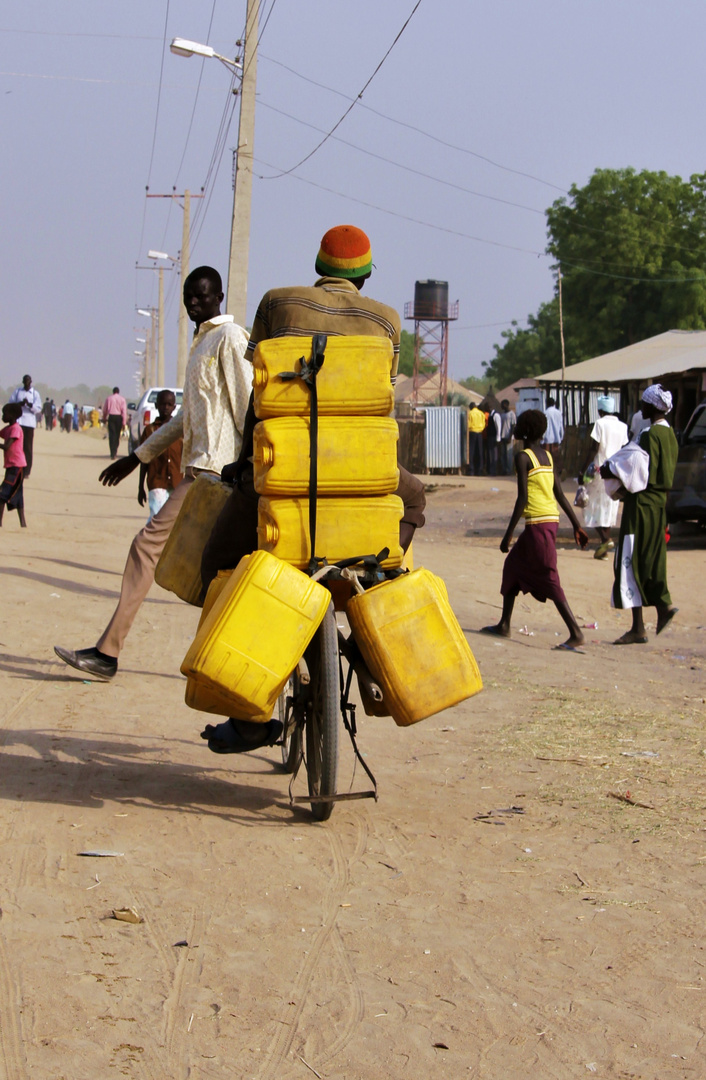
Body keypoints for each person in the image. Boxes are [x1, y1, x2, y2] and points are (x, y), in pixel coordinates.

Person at [199, 224, 427, 755]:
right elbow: (375, 401)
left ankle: (249, 714)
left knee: (219, 565)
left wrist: (243, 465)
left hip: (284, 466)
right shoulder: (387, 321)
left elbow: (260, 394)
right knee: (411, 499)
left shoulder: (277, 303)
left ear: (318, 267)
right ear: (366, 275)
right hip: (361, 473)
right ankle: (378, 601)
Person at [54, 266, 251, 681]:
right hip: (198, 472)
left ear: (218, 297)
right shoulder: (202, 343)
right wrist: (138, 457)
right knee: (212, 572)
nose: (193, 302)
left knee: (149, 549)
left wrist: (243, 469)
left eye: (200, 295)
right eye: (188, 296)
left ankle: (109, 653)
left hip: (214, 475)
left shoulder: (230, 339)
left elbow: (248, 407)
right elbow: (185, 419)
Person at [480, 409, 588, 650]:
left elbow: (522, 499)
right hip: (547, 521)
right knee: (513, 566)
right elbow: (559, 494)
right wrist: (576, 526)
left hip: (539, 524)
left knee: (549, 576)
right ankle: (504, 624)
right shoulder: (548, 457)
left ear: (525, 429)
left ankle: (576, 632)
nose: (516, 425)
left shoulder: (523, 457)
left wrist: (507, 535)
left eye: (519, 423)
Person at [601, 384, 679, 644]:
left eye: (644, 404)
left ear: (652, 406)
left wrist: (608, 469)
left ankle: (638, 627)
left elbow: (633, 468)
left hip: (641, 506)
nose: (641, 408)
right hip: (659, 507)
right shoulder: (671, 437)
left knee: (629, 559)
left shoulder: (648, 435)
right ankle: (663, 606)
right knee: (653, 560)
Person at [578, 395, 629, 559]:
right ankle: (604, 546)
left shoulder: (600, 424)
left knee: (590, 505)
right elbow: (624, 447)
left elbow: (594, 448)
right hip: (615, 471)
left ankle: (606, 539)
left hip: (599, 470)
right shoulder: (622, 426)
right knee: (608, 507)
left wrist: (583, 469)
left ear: (600, 410)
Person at [138, 390, 183, 521]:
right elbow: (143, 460)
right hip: (157, 482)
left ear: (174, 407)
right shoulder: (150, 431)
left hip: (176, 482)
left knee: (174, 520)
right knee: (156, 518)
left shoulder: (180, 431)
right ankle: (149, 541)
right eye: (163, 404)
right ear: (156, 405)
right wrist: (140, 487)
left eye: (169, 404)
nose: (166, 408)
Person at [9, 375, 42, 478]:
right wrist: (20, 404)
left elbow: (38, 409)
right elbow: (11, 403)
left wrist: (30, 405)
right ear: (23, 382)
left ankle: (26, 471)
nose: (26, 383)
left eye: (28, 382)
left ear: (31, 382)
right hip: (19, 422)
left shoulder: (35, 394)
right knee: (16, 447)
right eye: (25, 382)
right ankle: (16, 468)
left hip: (29, 423)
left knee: (27, 447)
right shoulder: (18, 391)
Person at [0, 403, 27, 528]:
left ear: (11, 416)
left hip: (16, 466)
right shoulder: (8, 429)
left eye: (4, 414)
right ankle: (23, 524)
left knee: (2, 493)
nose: (2, 416)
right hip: (12, 466)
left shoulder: (16, 429)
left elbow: (6, 446)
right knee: (17, 494)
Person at [103, 386, 128, 460]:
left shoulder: (109, 398)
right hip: (118, 418)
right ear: (118, 392)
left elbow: (105, 410)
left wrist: (104, 418)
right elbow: (124, 412)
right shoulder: (122, 399)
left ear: (113, 392)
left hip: (111, 417)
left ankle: (112, 453)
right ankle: (115, 452)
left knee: (112, 435)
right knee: (117, 435)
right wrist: (124, 423)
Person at [542, 397, 564, 471]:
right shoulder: (559, 413)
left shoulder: (545, 413)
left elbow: (544, 426)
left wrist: (542, 438)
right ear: (554, 403)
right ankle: (558, 471)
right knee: (555, 456)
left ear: (547, 404)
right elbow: (561, 426)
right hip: (556, 438)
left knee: (546, 456)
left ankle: (548, 470)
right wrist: (561, 437)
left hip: (547, 438)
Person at [498, 399, 516, 476]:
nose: (501, 406)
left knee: (508, 454)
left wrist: (510, 436)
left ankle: (509, 470)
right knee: (503, 455)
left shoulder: (512, 414)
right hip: (503, 436)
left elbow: (513, 426)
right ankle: (504, 469)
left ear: (506, 405)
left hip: (509, 437)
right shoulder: (502, 415)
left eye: (502, 404)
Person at [484, 399, 502, 476]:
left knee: (494, 454)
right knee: (490, 454)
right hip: (490, 437)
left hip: (494, 437)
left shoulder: (496, 415)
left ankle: (493, 471)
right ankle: (491, 470)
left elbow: (498, 427)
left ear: (489, 407)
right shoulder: (491, 415)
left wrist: (498, 439)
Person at [467, 402, 485, 475]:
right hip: (480, 433)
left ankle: (472, 469)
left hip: (472, 432)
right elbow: (484, 424)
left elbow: (468, 424)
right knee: (480, 451)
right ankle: (479, 470)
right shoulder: (481, 413)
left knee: (472, 451)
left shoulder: (470, 413)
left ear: (471, 407)